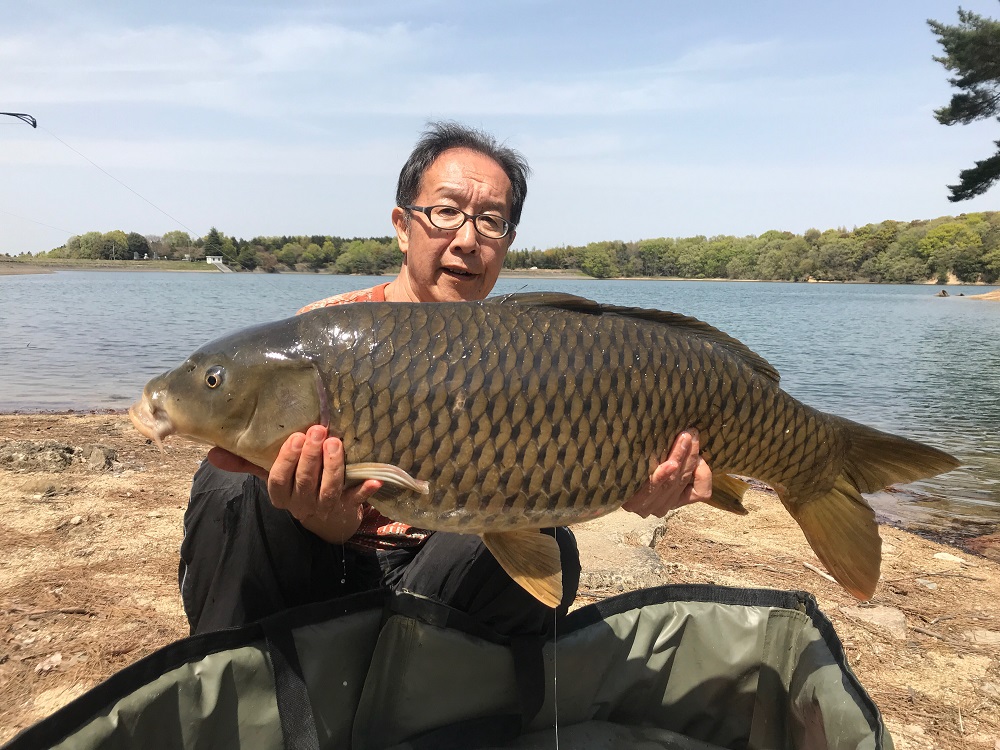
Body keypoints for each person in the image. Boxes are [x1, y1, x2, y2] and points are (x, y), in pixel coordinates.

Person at [179, 121, 713, 637]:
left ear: (507, 240)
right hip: (319, 565)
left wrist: (636, 486)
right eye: (446, 212)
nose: (466, 239)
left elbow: (565, 484)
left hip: (440, 575)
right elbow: (329, 518)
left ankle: (428, 702)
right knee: (231, 485)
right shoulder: (322, 334)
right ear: (401, 224)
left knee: (549, 550)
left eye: (490, 220)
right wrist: (320, 516)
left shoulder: (538, 351)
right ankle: (231, 689)